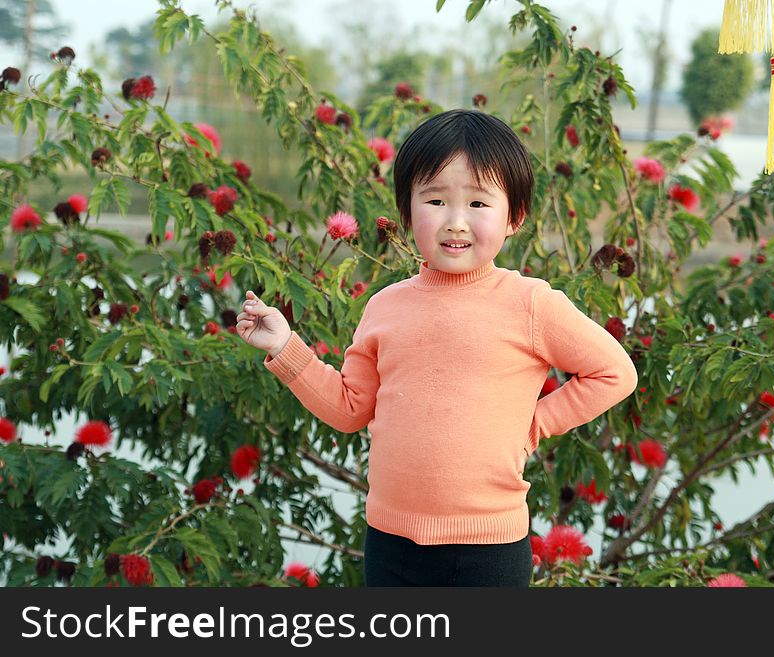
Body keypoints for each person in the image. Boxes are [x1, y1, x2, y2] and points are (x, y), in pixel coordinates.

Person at [235, 109, 638, 587]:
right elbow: (349, 409)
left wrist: (533, 426)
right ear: (407, 213)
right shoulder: (384, 307)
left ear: (515, 217)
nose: (456, 222)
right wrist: (285, 347)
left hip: (489, 548)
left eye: (479, 204)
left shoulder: (532, 303)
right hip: (389, 542)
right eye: (435, 200)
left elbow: (615, 373)